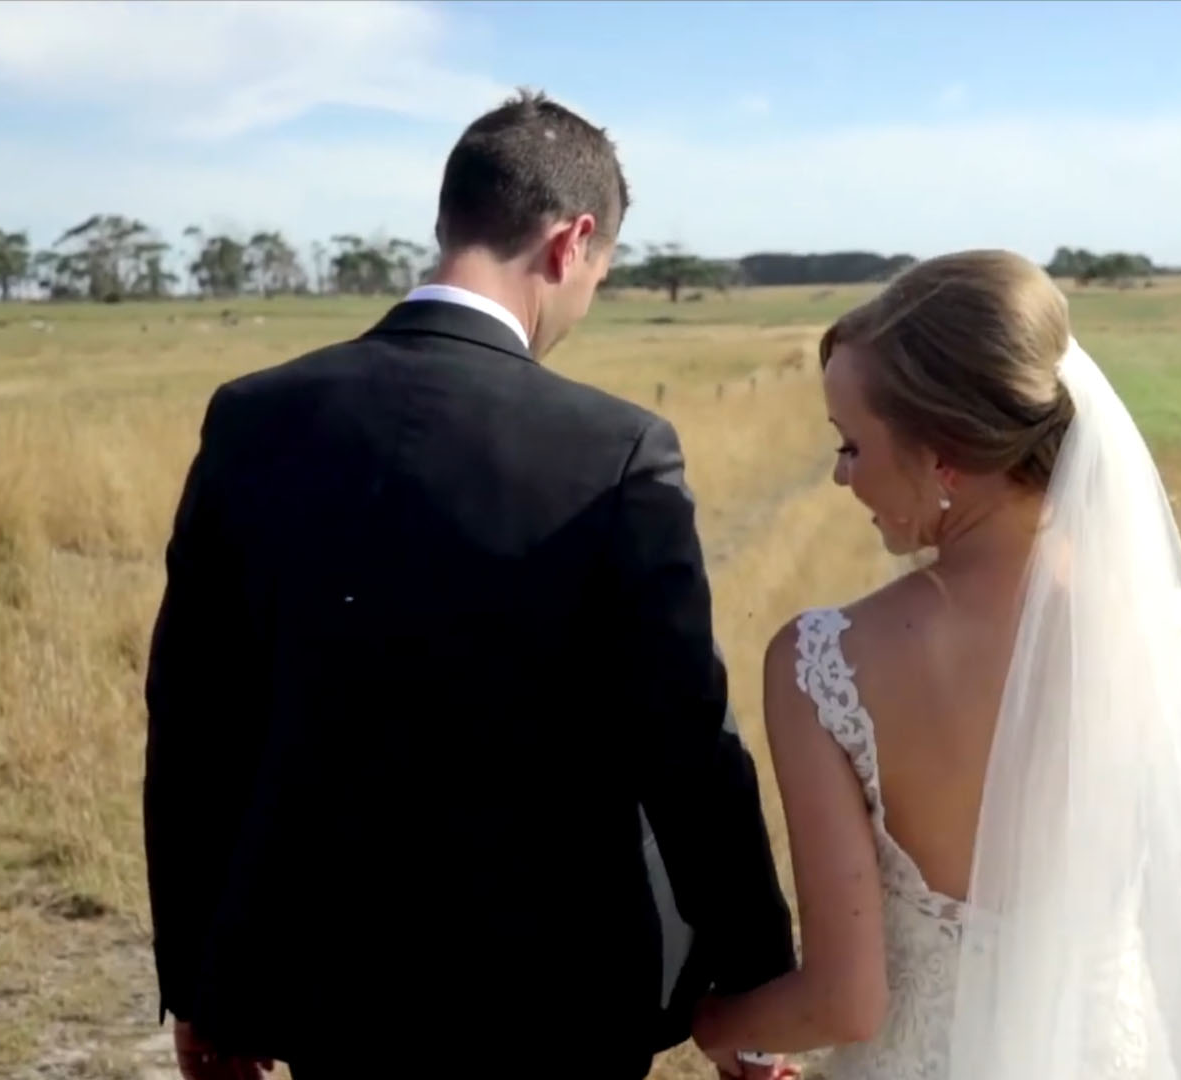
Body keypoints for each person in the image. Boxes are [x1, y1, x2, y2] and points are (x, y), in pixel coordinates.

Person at [142, 91, 795, 1079]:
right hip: (557, 999)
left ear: (450, 220)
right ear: (572, 243)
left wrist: (203, 981)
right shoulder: (617, 450)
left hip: (325, 988)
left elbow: (195, 718)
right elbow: (684, 747)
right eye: (599, 277)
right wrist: (756, 985)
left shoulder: (252, 418)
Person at [689, 251, 1181, 1079]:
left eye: (851, 445)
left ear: (942, 456)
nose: (839, 475)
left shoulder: (821, 665)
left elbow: (845, 1002)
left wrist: (718, 1023)